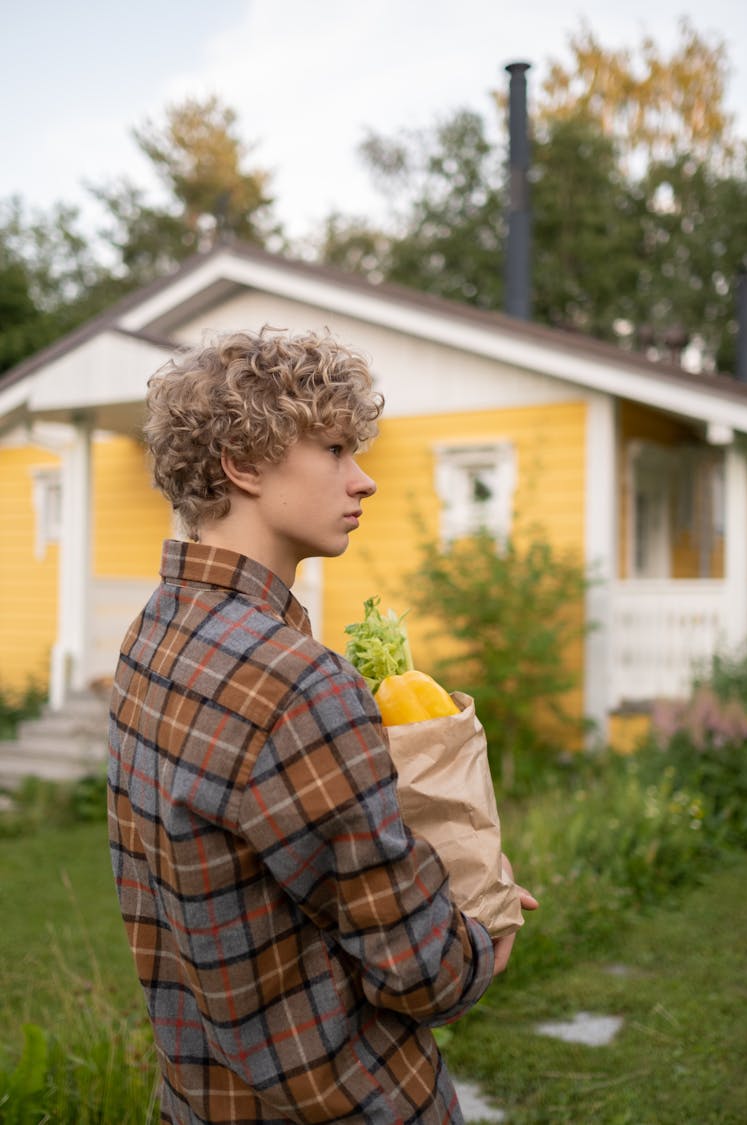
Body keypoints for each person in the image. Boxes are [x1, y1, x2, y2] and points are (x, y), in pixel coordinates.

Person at [107, 327, 537, 1125]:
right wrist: (480, 928)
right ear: (242, 462)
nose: (363, 478)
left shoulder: (151, 636)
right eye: (335, 449)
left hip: (202, 1100)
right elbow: (424, 972)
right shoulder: (301, 682)